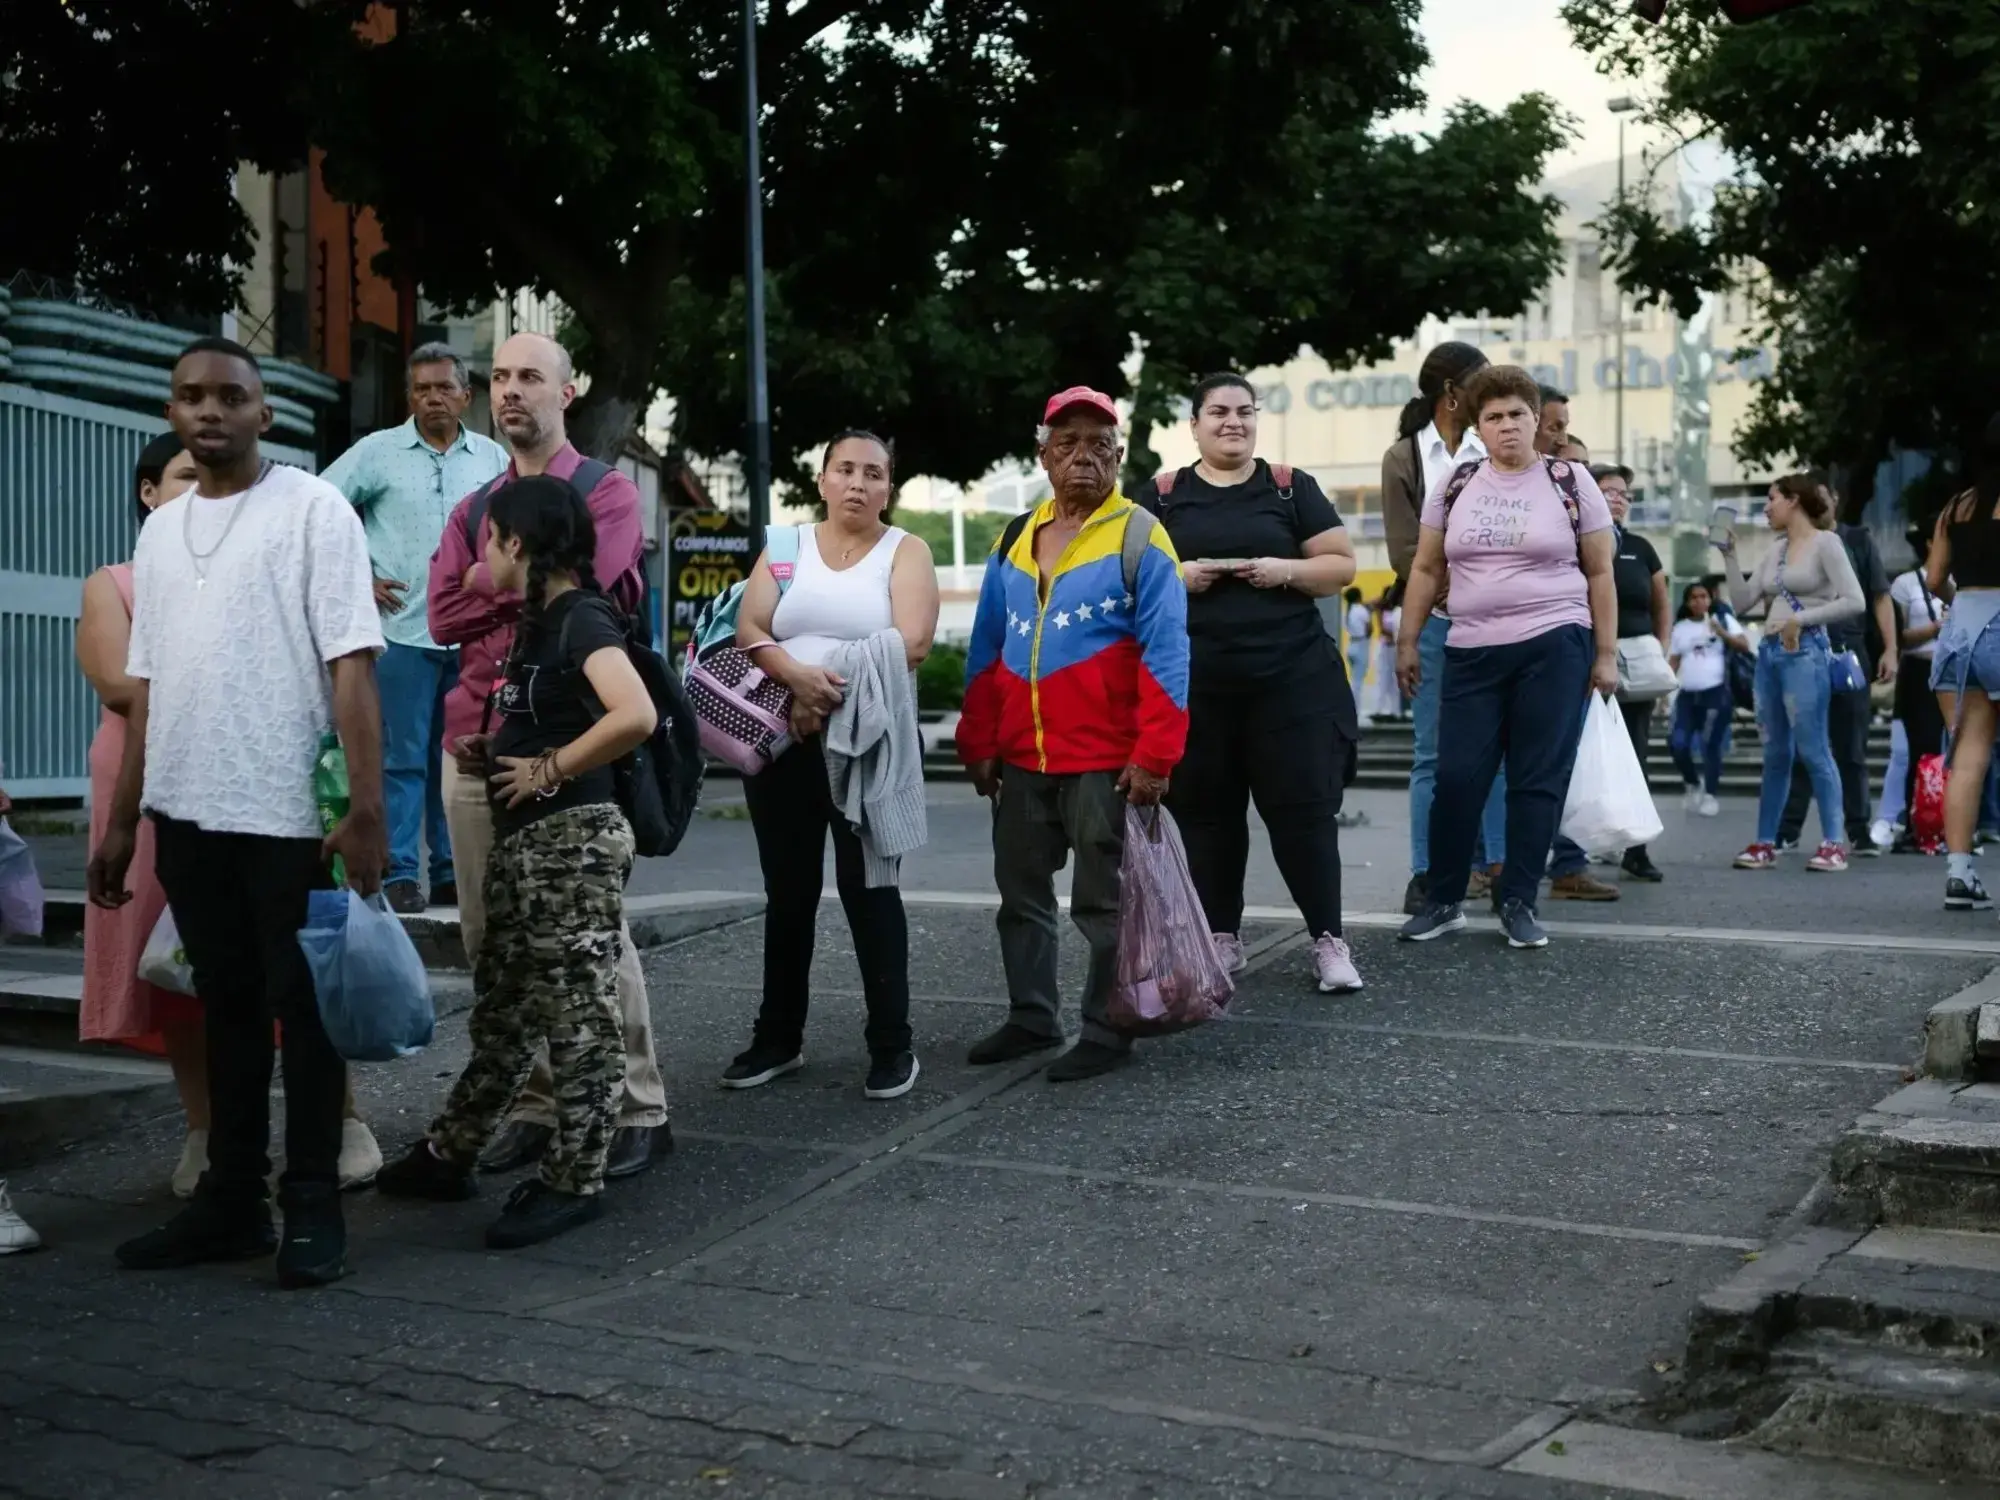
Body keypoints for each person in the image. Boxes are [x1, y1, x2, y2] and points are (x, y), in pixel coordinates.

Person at [86, 337, 387, 1288]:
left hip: (290, 813)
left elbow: (352, 665)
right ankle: (229, 1202)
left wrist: (367, 809)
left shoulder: (313, 511)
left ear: (265, 413)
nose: (209, 411)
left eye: (230, 397)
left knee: (303, 1016)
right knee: (225, 1009)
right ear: (171, 413)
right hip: (188, 810)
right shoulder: (160, 534)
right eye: (190, 398)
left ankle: (310, 1205)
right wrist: (125, 819)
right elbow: (148, 682)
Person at [375, 476, 656, 1247]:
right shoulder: (540, 623)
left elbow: (635, 713)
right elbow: (552, 710)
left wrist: (548, 769)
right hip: (528, 842)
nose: (480, 557)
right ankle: (452, 1151)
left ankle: (576, 1177)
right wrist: (498, 750)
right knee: (504, 1010)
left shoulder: (582, 618)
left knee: (580, 1018)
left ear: (519, 546)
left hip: (571, 840)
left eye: (489, 540)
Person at [427, 331, 668, 1180]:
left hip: (567, 751)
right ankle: (534, 1106)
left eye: (530, 376)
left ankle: (635, 1106)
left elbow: (571, 595)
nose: (510, 391)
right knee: (494, 939)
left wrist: (497, 587)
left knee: (593, 946)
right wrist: (506, 588)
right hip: (478, 746)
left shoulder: (604, 493)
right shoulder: (475, 505)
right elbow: (440, 614)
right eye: (498, 376)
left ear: (568, 393)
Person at [958, 386, 1189, 1081]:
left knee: (1103, 903)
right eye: (1068, 443)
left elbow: (1169, 655)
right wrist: (980, 742)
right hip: (1023, 758)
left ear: (1119, 456)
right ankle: (1031, 1018)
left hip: (1106, 762)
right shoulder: (1012, 539)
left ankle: (1105, 1026)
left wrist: (1155, 755)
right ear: (1043, 455)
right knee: (1020, 895)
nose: (1083, 456)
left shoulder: (1142, 535)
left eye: (1098, 444)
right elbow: (986, 648)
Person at [720, 431, 938, 1099]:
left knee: (870, 891)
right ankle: (777, 1038)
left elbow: (913, 641)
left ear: (888, 489)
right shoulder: (785, 547)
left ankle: (892, 1046)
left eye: (874, 474)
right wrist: (793, 679)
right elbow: (751, 628)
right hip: (781, 743)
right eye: (845, 469)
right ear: (822, 479)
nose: (858, 483)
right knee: (787, 895)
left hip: (865, 742)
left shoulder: (906, 551)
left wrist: (822, 689)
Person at [1133, 372, 1363, 993]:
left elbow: (1341, 564)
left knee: (1304, 813)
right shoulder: (1160, 494)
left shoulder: (1289, 488)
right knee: (1208, 816)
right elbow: (1120, 576)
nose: (1232, 422)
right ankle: (1220, 938)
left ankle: (1328, 941)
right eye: (1218, 412)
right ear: (1195, 424)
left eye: (1244, 411)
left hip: (1291, 681)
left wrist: (1284, 569)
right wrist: (1176, 575)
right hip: (1198, 685)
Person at [1394, 365, 1619, 950]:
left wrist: (1606, 655)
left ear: (1536, 419)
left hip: (1555, 643)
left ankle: (1518, 900)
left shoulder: (1571, 481)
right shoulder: (1456, 482)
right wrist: (1407, 641)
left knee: (1533, 778)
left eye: (1518, 414)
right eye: (1493, 417)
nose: (1507, 426)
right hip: (1471, 646)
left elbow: (1600, 572)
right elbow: (1425, 567)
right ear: (1478, 425)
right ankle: (1443, 899)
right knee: (1456, 776)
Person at [321, 343, 508, 914]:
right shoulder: (377, 452)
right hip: (402, 633)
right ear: (410, 397)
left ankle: (451, 871)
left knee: (456, 758)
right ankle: (402, 870)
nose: (433, 398)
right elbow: (319, 507)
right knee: (401, 758)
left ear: (466, 396)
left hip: (474, 635)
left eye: (444, 388)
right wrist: (359, 579)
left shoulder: (493, 460)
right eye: (422, 389)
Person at [1380, 340, 1509, 914]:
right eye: (1482, 384)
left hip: (1502, 619)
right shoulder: (1404, 457)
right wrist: (1451, 588)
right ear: (1452, 393)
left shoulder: (1499, 446)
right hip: (1435, 619)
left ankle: (1502, 867)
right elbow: (1406, 550)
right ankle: (1427, 872)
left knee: (1498, 750)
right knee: (1432, 754)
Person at [1717, 473, 1865, 871]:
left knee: (1814, 748)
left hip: (1806, 652)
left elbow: (1855, 600)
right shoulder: (1776, 549)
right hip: (1768, 652)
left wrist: (1805, 619)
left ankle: (1834, 843)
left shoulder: (1827, 543)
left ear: (1794, 500)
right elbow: (1743, 601)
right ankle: (1765, 842)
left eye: (1771, 498)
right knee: (1776, 752)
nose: (1766, 507)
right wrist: (1728, 556)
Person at [1776, 477, 1894, 855]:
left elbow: (1879, 597)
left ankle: (1858, 829)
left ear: (1836, 501)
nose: (1821, 505)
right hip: (1802, 651)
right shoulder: (1791, 546)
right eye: (1814, 499)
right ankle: (1788, 829)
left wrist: (1891, 648)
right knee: (1802, 742)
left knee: (1852, 746)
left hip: (1847, 651)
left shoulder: (1857, 539)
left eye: (1826, 498)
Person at [1925, 414, 2000, 910]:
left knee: (1969, 755)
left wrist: (1964, 597)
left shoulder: (1959, 505)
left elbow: (1934, 580)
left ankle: (1959, 873)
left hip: (1960, 634)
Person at [1597, 462, 1670, 883]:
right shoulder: (1583, 541)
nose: (1620, 500)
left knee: (1637, 758)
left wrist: (1660, 650)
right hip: (1592, 664)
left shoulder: (1641, 548)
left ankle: (1636, 850)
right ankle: (1577, 848)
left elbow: (1661, 603)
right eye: (1611, 492)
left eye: (1626, 493)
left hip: (1636, 667)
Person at [1872, 529, 1949, 850]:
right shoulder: (1906, 583)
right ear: (1931, 543)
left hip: (1952, 670)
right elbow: (1899, 636)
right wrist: (1935, 628)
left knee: (1954, 751)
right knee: (1919, 751)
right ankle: (1912, 822)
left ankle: (1948, 823)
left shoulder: (1958, 581)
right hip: (1917, 671)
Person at [1668, 581, 1746, 816]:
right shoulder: (1680, 628)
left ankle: (1710, 795)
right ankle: (1692, 783)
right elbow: (1674, 660)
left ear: (1710, 600)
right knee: (1677, 743)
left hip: (1716, 694)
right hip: (1687, 696)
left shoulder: (1722, 620)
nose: (1699, 601)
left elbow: (1744, 644)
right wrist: (1663, 692)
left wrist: (1721, 632)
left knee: (1710, 745)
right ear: (1687, 602)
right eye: (1694, 597)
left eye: (1704, 596)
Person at [1343, 587, 1372, 693]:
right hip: (1361, 645)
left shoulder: (1347, 611)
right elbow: (1369, 629)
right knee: (1358, 682)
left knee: (1352, 678)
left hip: (1351, 645)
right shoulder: (1361, 610)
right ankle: (1355, 707)